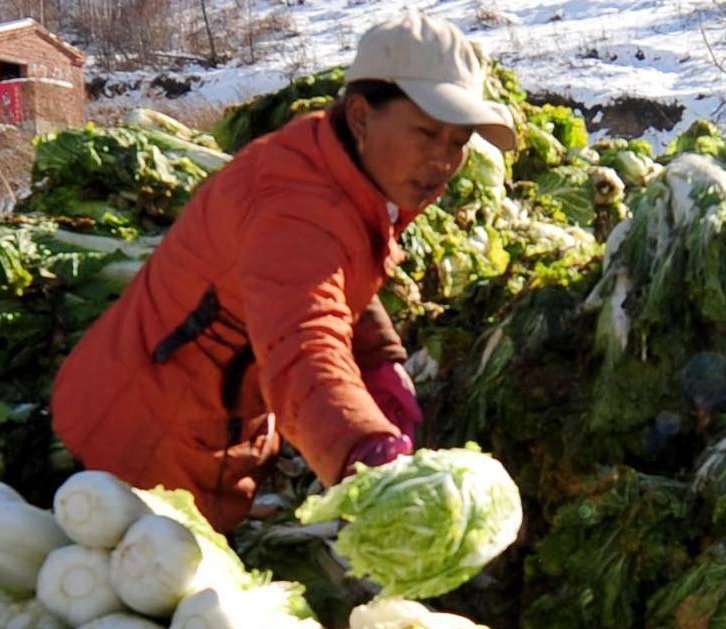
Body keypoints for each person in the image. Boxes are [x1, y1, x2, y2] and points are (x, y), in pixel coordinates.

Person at [50, 12, 517, 531]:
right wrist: (363, 449)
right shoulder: (295, 206)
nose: (443, 161)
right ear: (361, 115)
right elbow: (303, 344)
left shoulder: (334, 162)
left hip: (186, 415)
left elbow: (326, 277)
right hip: (142, 445)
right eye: (427, 133)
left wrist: (379, 358)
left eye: (458, 142)